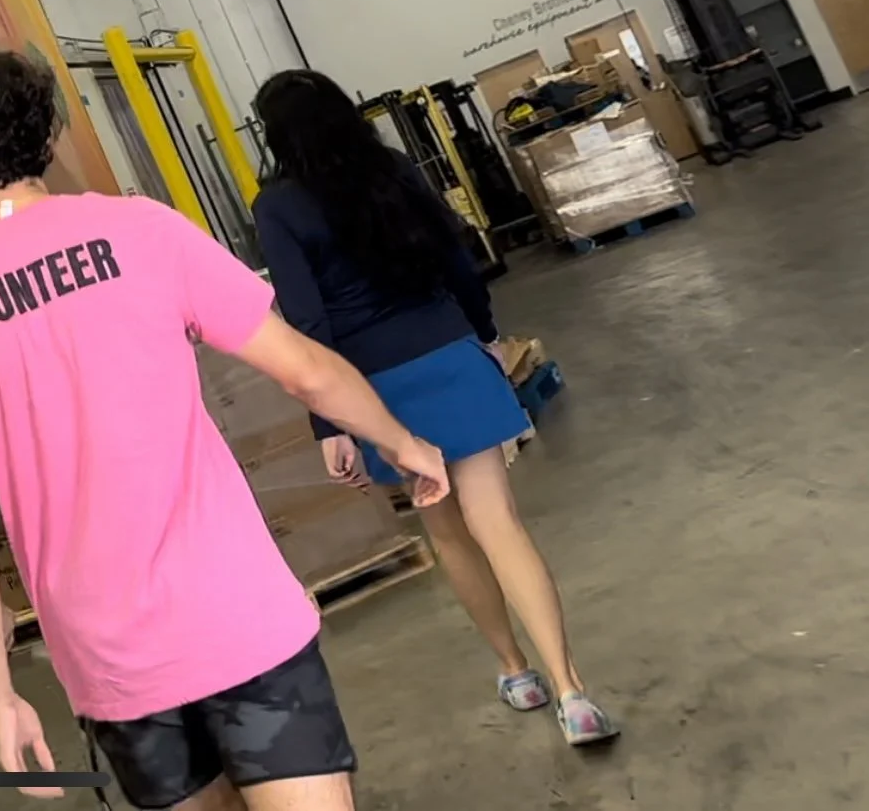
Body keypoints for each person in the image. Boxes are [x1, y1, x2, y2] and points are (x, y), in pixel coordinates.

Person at [0, 50, 452, 811]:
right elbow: (303, 370)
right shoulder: (138, 230)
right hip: (231, 612)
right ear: (48, 135)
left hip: (108, 660)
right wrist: (400, 440)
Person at [250, 69, 618, 747]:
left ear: (275, 136)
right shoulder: (391, 170)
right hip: (449, 354)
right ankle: (573, 694)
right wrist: (484, 336)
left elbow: (306, 321)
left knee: (447, 534)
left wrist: (329, 422)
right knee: (500, 524)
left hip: (375, 391)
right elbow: (457, 261)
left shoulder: (277, 207)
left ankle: (516, 673)